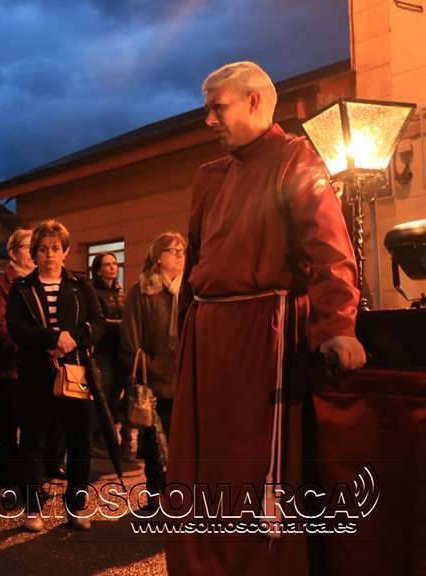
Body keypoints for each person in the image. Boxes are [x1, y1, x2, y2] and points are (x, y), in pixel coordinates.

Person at [165, 61, 365, 575]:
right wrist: (182, 330)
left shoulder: (296, 159)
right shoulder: (208, 176)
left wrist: (339, 328)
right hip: (207, 333)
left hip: (263, 333)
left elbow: (331, 252)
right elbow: (195, 264)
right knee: (198, 464)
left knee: (252, 464)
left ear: (254, 101)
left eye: (217, 108)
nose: (208, 120)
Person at [6, 220, 104, 532]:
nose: (50, 254)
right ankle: (33, 510)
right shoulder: (21, 288)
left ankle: (76, 507)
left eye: (55, 248)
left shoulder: (80, 285)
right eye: (43, 249)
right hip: (36, 374)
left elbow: (98, 322)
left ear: (65, 251)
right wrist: (52, 339)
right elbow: (16, 328)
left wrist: (75, 338)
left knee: (79, 441)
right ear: (34, 253)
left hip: (75, 372)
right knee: (32, 442)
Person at [120, 232, 184, 513]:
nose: (180, 255)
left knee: (181, 440)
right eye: (173, 250)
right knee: (154, 440)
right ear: (158, 257)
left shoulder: (189, 290)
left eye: (183, 250)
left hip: (184, 376)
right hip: (154, 379)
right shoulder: (141, 290)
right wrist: (150, 367)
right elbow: (131, 339)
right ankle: (155, 495)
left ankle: (178, 494)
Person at [0, 228, 34, 486]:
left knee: (33, 429)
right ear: (13, 252)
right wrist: (30, 346)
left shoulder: (40, 281)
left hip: (37, 369)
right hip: (10, 368)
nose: (35, 251)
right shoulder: (2, 284)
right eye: (28, 246)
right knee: (7, 428)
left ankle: (28, 480)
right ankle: (8, 481)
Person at [88, 252, 130, 460]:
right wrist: (122, 325)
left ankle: (107, 437)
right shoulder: (93, 291)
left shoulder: (121, 292)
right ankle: (94, 439)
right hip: (102, 351)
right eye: (107, 264)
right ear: (98, 269)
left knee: (116, 395)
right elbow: (99, 321)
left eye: (115, 264)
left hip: (120, 350)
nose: (113, 267)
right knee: (102, 395)